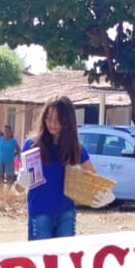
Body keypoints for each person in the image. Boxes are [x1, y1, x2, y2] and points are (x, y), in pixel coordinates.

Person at [21, 96, 94, 240]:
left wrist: (100, 196)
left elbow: (93, 177)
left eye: (58, 120)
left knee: (64, 254)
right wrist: (20, 182)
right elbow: (18, 188)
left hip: (66, 213)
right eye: (48, 118)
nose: (52, 124)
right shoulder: (31, 145)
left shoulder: (75, 148)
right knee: (41, 253)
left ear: (68, 121)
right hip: (40, 212)